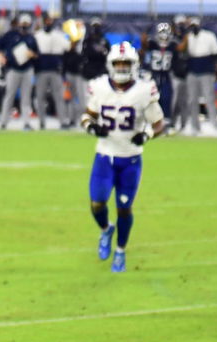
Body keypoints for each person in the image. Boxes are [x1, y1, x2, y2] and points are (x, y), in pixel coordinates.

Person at [80, 41, 165, 273]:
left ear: (133, 64)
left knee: (124, 208)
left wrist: (146, 134)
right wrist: (91, 127)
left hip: (131, 160)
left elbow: (159, 124)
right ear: (110, 64)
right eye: (117, 63)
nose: (121, 67)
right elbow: (86, 116)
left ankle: (120, 251)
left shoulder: (143, 90)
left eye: (125, 63)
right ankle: (107, 229)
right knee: (97, 203)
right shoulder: (99, 87)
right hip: (105, 156)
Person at [0, 13, 39, 130]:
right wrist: (1, 56)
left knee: (26, 97)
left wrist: (32, 54)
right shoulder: (11, 35)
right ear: (19, 23)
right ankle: (3, 122)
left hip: (27, 69)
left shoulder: (31, 37)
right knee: (9, 95)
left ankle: (26, 123)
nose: (24, 25)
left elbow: (37, 54)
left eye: (26, 23)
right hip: (13, 69)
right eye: (23, 23)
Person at [33, 13, 67, 130]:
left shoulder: (58, 35)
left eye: (50, 21)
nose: (48, 23)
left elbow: (67, 47)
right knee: (40, 97)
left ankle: (62, 121)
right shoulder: (38, 36)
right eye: (46, 20)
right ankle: (41, 122)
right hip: (41, 70)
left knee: (58, 97)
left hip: (55, 70)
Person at [145, 22, 177, 131]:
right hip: (154, 75)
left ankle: (166, 123)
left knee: (166, 99)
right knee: (152, 99)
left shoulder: (173, 45)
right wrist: (146, 30)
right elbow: (144, 43)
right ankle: (152, 122)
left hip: (166, 75)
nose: (163, 35)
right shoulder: (153, 44)